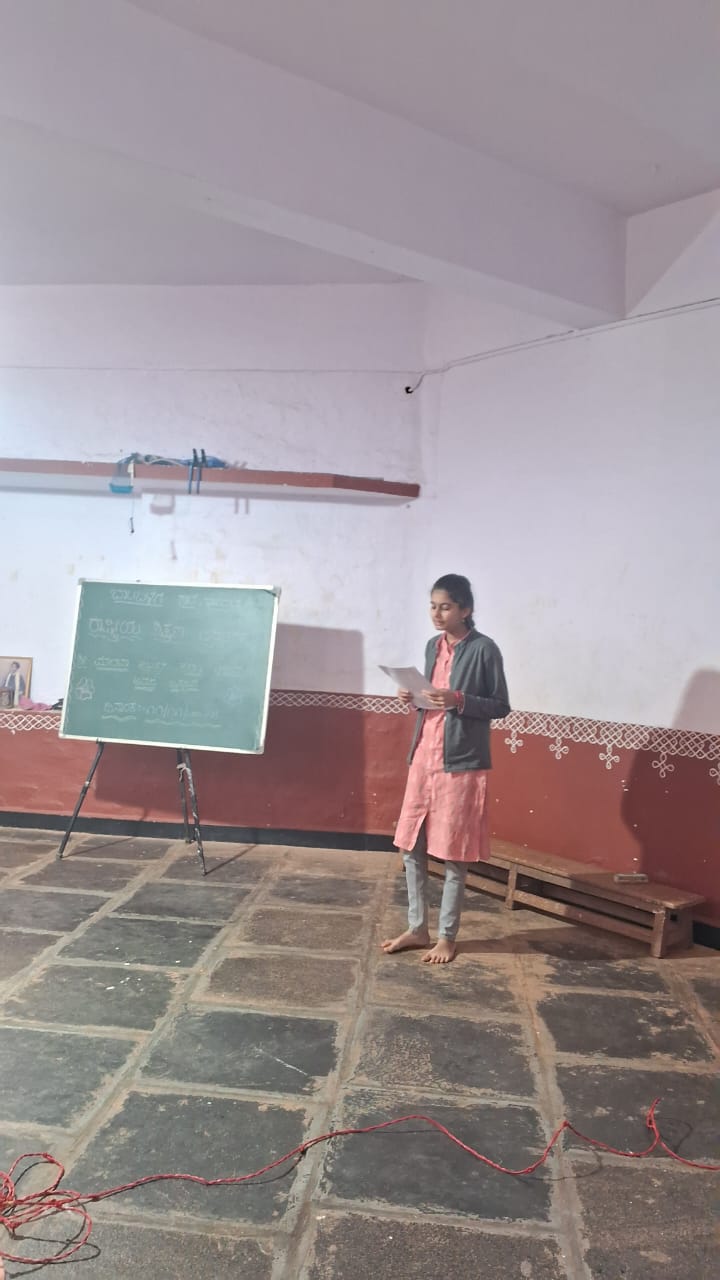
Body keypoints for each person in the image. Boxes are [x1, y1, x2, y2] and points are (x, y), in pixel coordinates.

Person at [382, 574, 510, 964]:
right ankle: (417, 928)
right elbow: (430, 700)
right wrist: (412, 697)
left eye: (446, 607)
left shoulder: (484, 649)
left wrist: (459, 699)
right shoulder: (431, 647)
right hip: (423, 757)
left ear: (466, 609)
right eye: (433, 606)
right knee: (410, 845)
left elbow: (500, 706)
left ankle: (447, 937)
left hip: (461, 764)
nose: (437, 614)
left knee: (454, 852)